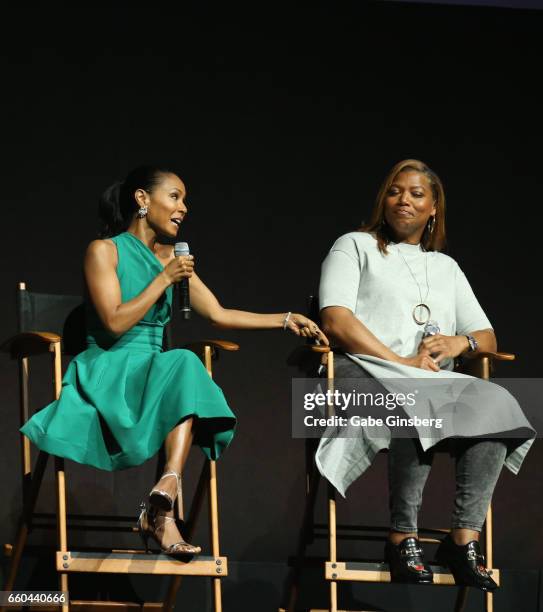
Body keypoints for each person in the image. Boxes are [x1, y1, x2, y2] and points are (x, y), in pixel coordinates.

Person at [21, 165, 327, 557]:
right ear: (142, 200)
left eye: (185, 200)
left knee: (183, 366)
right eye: (175, 197)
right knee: (183, 363)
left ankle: (164, 496)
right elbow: (113, 322)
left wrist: (285, 320)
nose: (184, 208)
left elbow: (218, 313)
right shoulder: (105, 250)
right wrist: (165, 279)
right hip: (107, 370)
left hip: (151, 371)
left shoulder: (171, 259)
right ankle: (164, 510)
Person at [316, 159, 534, 590]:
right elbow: (336, 320)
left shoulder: (445, 267)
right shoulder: (354, 245)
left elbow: (485, 335)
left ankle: (463, 539)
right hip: (358, 369)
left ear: (433, 207)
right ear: (384, 198)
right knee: (417, 401)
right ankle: (402, 536)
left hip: (428, 380)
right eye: (396, 191)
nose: (404, 200)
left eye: (417, 194)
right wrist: (402, 365)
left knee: (498, 406)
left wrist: (461, 344)